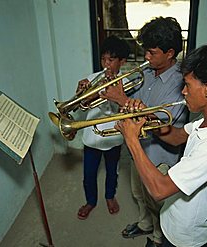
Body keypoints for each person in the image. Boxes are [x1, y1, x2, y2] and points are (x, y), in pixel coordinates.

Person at [114, 42, 207, 247]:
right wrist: (147, 116)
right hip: (173, 215)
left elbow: (159, 189)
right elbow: (176, 136)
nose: (183, 92)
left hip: (182, 237)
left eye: (187, 85)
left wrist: (131, 140)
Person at [100, 17, 189, 247]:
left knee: (157, 202)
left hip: (159, 157)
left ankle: (158, 238)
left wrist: (121, 99)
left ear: (170, 53)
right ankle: (145, 224)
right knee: (138, 194)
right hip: (136, 147)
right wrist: (110, 83)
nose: (146, 58)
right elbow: (131, 94)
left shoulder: (181, 84)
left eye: (151, 52)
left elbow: (160, 124)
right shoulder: (149, 71)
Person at [76, 35, 130, 220]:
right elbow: (81, 107)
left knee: (112, 171)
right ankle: (90, 201)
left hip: (113, 136)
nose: (106, 64)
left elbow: (125, 110)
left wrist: (114, 94)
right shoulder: (92, 78)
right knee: (88, 174)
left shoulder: (127, 82)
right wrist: (82, 95)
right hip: (92, 136)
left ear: (122, 61)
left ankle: (109, 196)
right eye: (103, 59)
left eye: (111, 60)